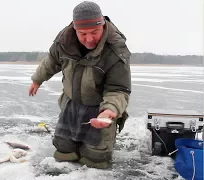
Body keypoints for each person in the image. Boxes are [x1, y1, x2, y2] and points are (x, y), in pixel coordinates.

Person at [28, 1, 131, 169]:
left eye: (94, 32)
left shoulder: (116, 51)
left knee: (96, 159)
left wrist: (109, 111)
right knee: (63, 150)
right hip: (71, 104)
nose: (89, 39)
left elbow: (118, 89)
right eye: (82, 33)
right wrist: (37, 79)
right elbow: (51, 61)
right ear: (74, 29)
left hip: (100, 108)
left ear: (103, 25)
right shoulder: (64, 41)